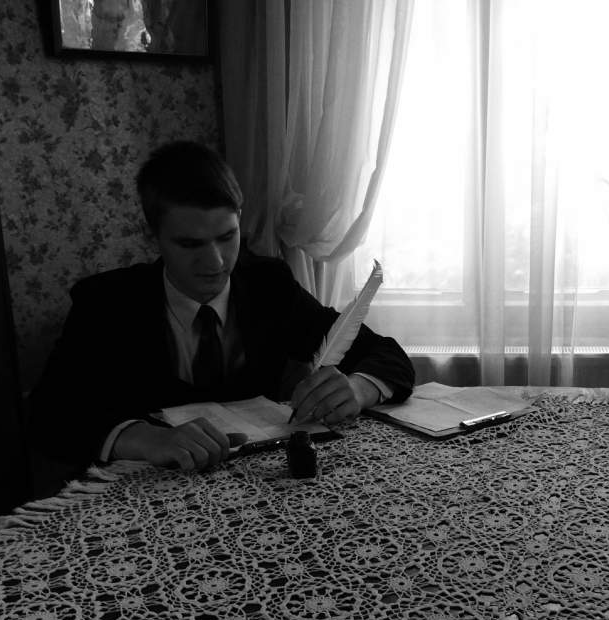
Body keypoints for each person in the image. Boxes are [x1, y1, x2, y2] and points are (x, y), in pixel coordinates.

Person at [28, 141, 414, 471]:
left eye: (227, 237)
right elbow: (47, 416)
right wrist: (143, 439)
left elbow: (388, 356)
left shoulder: (268, 284)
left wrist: (357, 389)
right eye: (190, 244)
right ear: (154, 236)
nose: (214, 262)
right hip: (147, 495)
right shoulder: (107, 302)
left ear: (239, 220)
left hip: (262, 487)